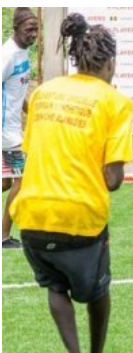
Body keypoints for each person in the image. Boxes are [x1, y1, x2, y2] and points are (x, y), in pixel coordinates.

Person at [11, 13, 133, 353]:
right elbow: (112, 179)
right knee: (99, 290)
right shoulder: (116, 102)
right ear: (110, 64)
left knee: (54, 285)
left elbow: (33, 149)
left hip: (30, 215)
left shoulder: (44, 93)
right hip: (80, 216)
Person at [2, 7, 39, 249]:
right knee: (21, 181)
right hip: (6, 133)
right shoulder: (6, 55)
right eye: (29, 30)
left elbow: (16, 91)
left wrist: (32, 112)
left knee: (6, 183)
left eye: (36, 29)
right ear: (16, 28)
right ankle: (3, 236)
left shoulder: (23, 52)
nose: (33, 34)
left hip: (13, 129)